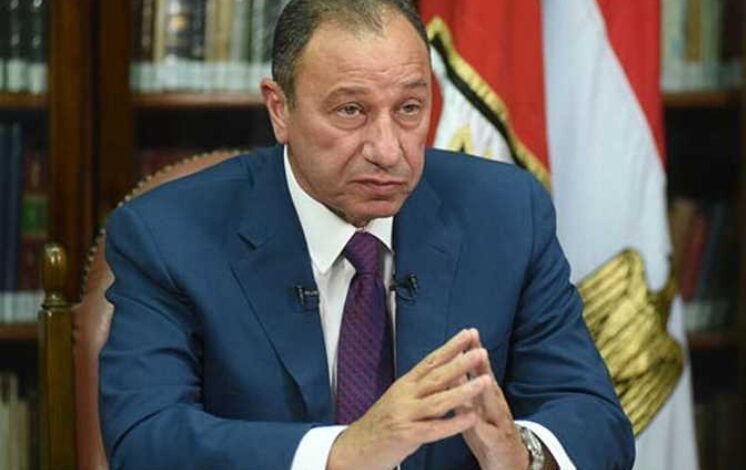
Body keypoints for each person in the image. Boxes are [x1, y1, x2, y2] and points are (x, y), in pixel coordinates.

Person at [99, 1, 635, 469]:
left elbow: (593, 416)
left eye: (409, 109)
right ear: (280, 109)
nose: (388, 149)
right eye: (351, 111)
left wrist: (522, 454)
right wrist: (344, 453)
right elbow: (146, 440)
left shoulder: (507, 214)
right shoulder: (168, 236)